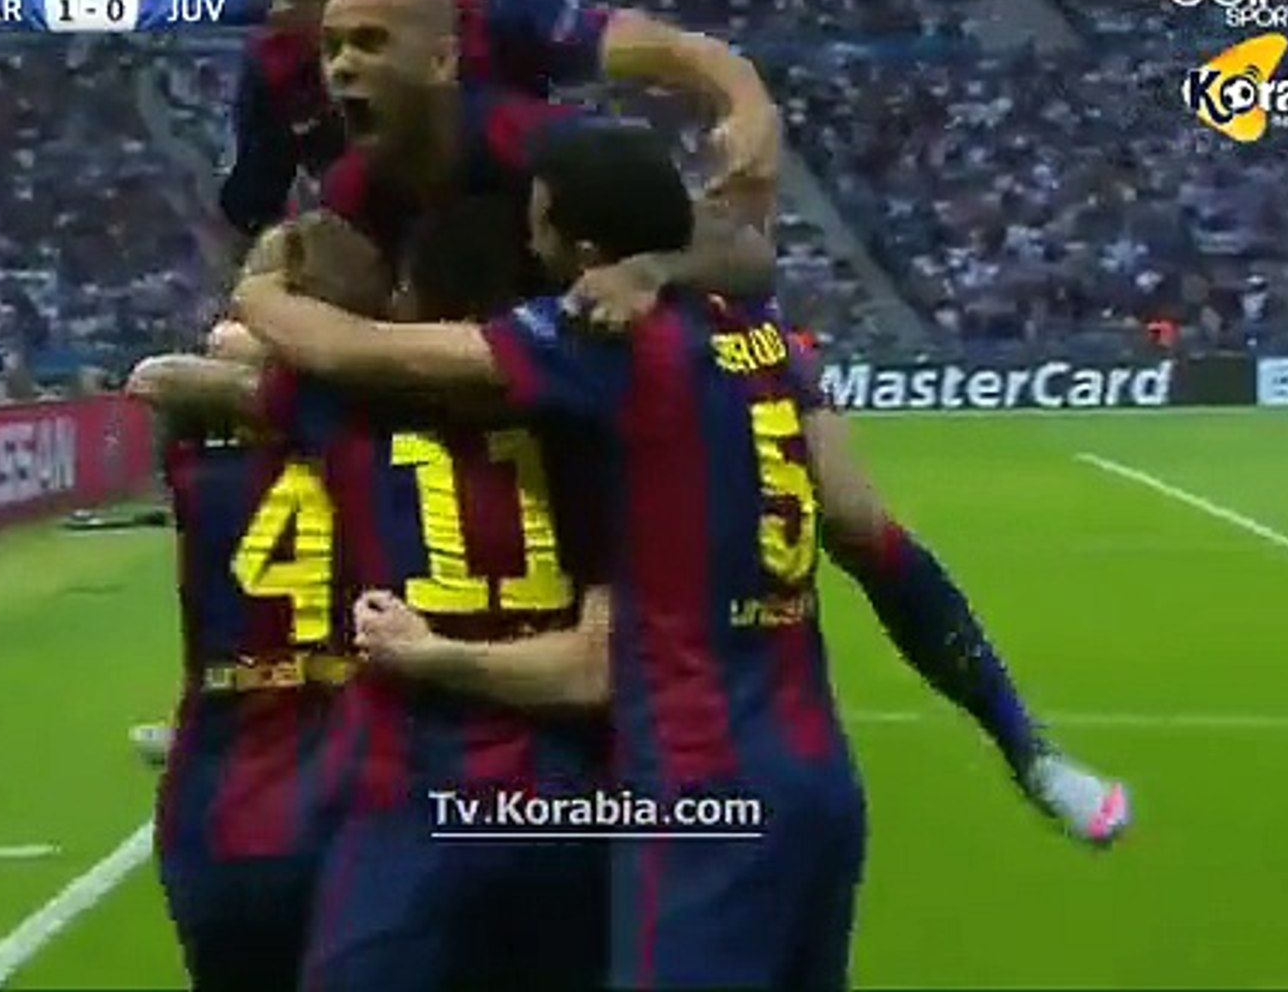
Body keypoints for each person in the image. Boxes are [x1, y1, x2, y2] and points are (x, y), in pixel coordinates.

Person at [235, 123, 1130, 989]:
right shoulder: (764, 335)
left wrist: (261, 291)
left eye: (541, 225)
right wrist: (1017, 739)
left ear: (585, 250)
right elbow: (869, 534)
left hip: (700, 787)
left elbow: (358, 351)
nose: (532, 245)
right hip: (817, 781)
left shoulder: (609, 344)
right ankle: (1036, 754)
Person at [133, 0, 776, 762]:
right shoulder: (355, 182)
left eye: (368, 44)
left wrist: (650, 269)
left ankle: (643, 677)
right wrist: (268, 313)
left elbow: (745, 257)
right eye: (332, 48)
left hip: (589, 375)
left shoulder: (534, 141)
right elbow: (332, 297)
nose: (340, 67)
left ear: (441, 60)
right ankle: (254, 683)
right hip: (485, 367)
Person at [135, 203, 614, 991]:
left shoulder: (312, 424)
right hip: (531, 794)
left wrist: (255, 327)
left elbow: (158, 378)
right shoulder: (574, 422)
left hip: (246, 799)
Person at [124, 215, 387, 992]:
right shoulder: (394, 435)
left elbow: (160, 376)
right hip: (359, 804)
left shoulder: (196, 449)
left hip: (222, 807)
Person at [217, 0, 781, 250]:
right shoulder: (273, 67)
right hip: (399, 277)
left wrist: (749, 105)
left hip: (531, 260)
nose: (279, 7)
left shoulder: (479, 8)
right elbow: (250, 217)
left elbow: (663, 48)